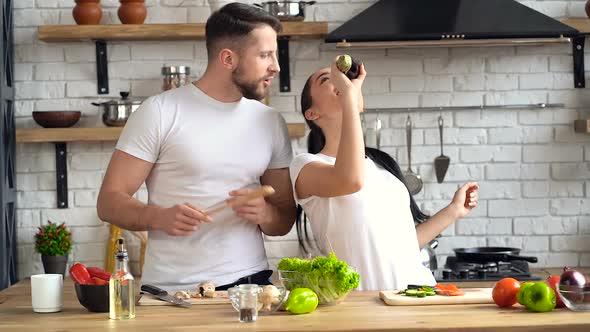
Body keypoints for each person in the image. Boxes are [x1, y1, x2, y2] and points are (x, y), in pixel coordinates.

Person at [97, 3, 296, 292]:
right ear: (228, 58)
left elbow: (284, 219)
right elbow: (109, 201)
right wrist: (156, 216)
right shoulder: (160, 111)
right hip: (172, 291)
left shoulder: (270, 121)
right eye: (265, 55)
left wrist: (264, 213)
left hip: (251, 287)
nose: (276, 66)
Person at [289, 57, 479, 291]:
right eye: (327, 79)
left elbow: (404, 245)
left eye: (345, 81)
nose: (343, 82)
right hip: (365, 306)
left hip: (417, 293)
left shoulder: (381, 165)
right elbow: (350, 180)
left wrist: (453, 211)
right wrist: (349, 95)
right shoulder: (305, 166)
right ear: (312, 113)